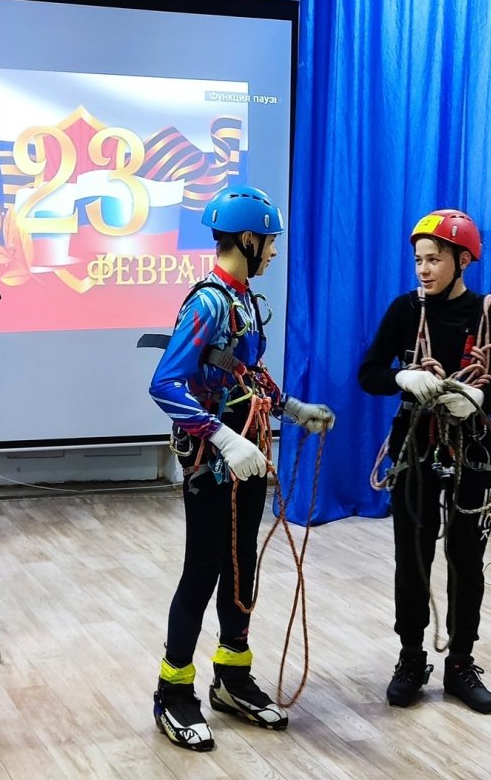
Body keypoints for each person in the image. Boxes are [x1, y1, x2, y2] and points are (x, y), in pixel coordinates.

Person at [148, 185, 335, 751]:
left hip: (248, 458)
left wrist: (291, 409)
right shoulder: (207, 303)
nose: (273, 251)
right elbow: (165, 383)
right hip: (214, 462)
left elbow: (244, 375)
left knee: (241, 565)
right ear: (248, 239)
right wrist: (223, 438)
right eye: (270, 242)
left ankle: (231, 675)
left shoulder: (246, 300)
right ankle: (173, 690)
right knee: (202, 570)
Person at [358, 209, 491, 713]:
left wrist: (479, 397)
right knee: (412, 554)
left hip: (473, 447)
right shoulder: (405, 311)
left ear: (462, 260)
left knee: (466, 557)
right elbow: (369, 373)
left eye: (434, 259)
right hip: (416, 442)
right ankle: (411, 657)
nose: (424, 270)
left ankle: (460, 663)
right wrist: (402, 377)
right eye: (418, 260)